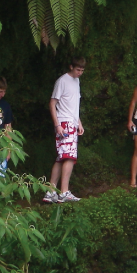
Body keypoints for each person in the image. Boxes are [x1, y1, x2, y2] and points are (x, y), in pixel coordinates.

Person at [43, 57, 86, 204]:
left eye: (82, 70)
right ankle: (64, 192)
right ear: (71, 67)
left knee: (61, 157)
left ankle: (50, 191)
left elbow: (74, 104)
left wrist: (78, 122)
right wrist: (57, 125)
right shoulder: (62, 81)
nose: (79, 73)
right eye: (77, 69)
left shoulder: (77, 81)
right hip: (63, 122)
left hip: (72, 122)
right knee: (69, 156)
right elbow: (52, 103)